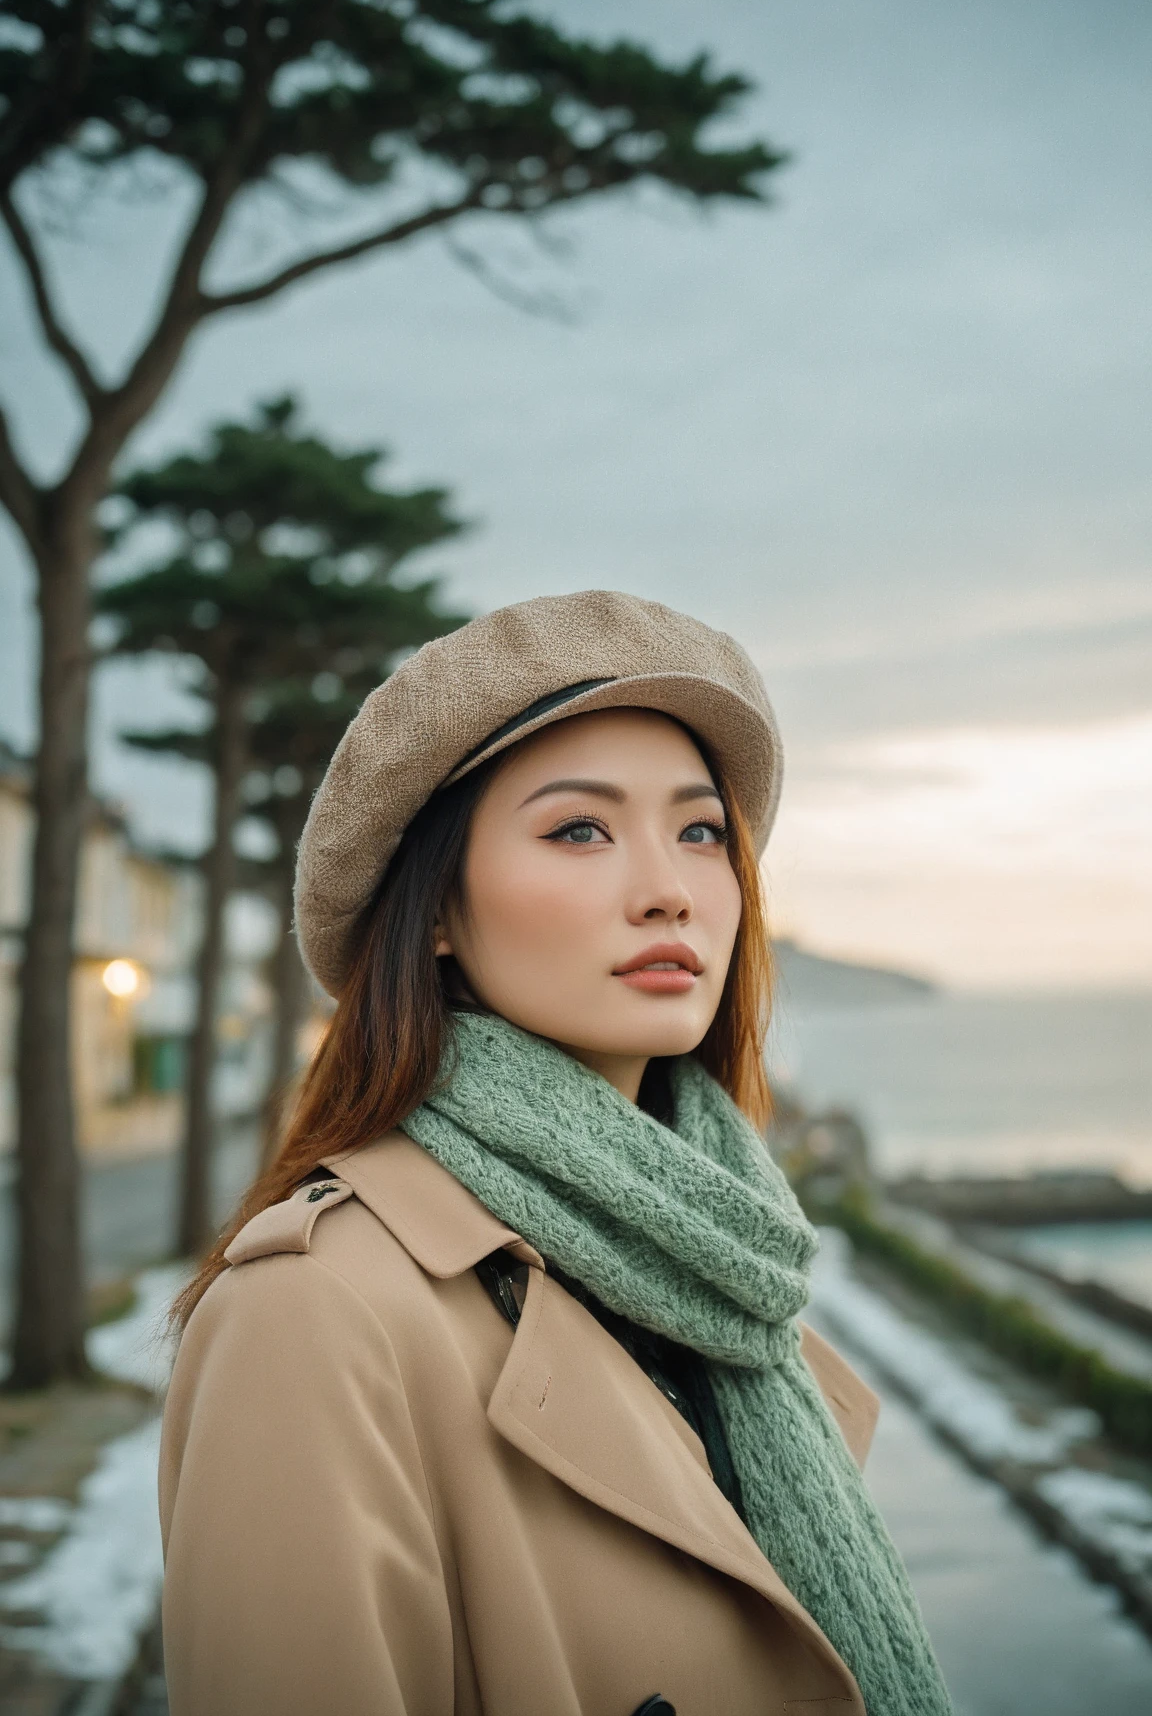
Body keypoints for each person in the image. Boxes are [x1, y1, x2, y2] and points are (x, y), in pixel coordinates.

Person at [159, 591, 952, 1716]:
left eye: (701, 831)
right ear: (435, 909)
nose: (670, 889)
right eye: (580, 829)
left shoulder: (728, 1279)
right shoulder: (314, 1316)